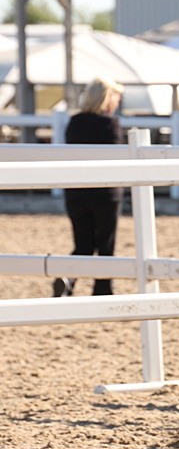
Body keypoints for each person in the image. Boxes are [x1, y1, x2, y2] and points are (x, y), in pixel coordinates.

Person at [53, 77, 124, 297]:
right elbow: (116, 158)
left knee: (83, 244)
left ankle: (67, 279)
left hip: (75, 191)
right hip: (104, 193)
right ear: (107, 98)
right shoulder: (109, 124)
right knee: (105, 243)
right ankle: (102, 290)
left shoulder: (75, 122)